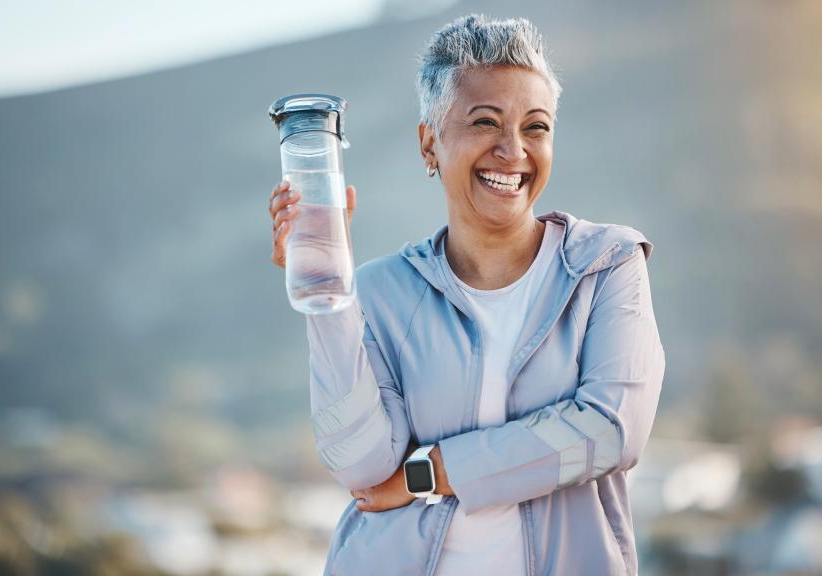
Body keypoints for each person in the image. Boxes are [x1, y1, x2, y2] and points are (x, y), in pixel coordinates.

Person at [268, 13, 665, 576]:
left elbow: (609, 431)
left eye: (536, 127)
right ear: (430, 141)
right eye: (485, 122)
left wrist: (430, 472)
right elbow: (361, 463)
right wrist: (328, 289)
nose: (513, 150)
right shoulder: (379, 290)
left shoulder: (605, 266)